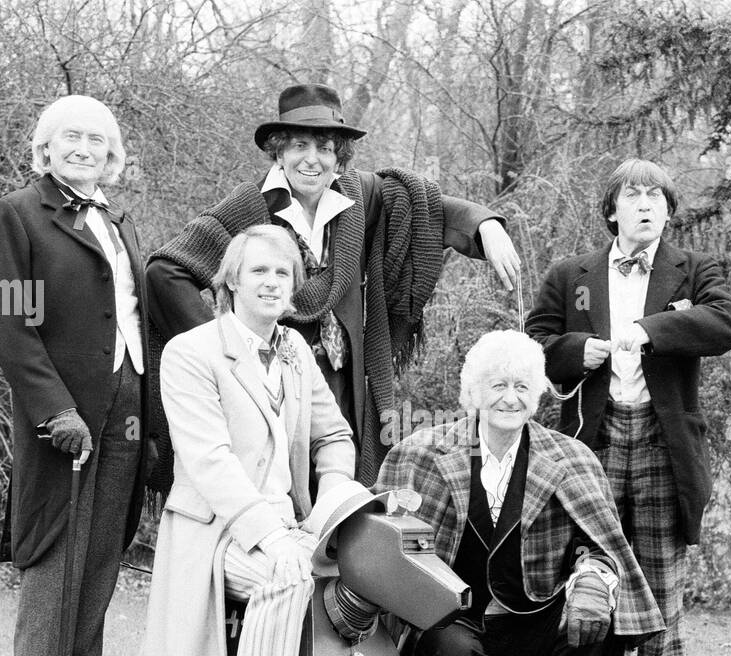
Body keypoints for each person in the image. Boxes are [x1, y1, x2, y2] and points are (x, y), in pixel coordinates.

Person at [146, 82, 521, 485]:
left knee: (339, 487)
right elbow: (165, 273)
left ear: (338, 156)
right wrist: (225, 351)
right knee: (274, 489)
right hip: (271, 384)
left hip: (343, 384)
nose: (313, 160)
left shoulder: (359, 197)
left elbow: (426, 208)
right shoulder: (250, 207)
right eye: (300, 146)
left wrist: (485, 224)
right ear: (279, 151)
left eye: (324, 148)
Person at [525, 158, 731, 656]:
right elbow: (535, 342)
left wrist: (650, 331)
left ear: (669, 211)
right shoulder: (570, 272)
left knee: (660, 573)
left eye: (658, 197)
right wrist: (577, 350)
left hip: (661, 441)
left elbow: (727, 323)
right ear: (612, 209)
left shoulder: (694, 269)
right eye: (635, 195)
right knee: (588, 571)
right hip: (588, 445)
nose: (648, 205)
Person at [372, 331, 665, 656]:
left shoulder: (573, 457)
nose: (510, 399)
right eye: (498, 386)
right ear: (473, 393)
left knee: (598, 608)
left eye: (522, 387)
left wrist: (593, 579)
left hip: (535, 623)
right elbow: (381, 545)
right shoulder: (418, 454)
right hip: (455, 622)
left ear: (538, 396)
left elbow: (601, 547)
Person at [129, 225, 356, 656]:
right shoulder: (190, 352)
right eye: (259, 271)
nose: (272, 283)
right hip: (216, 531)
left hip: (293, 520)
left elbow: (335, 438)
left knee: (372, 566)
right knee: (286, 576)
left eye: (283, 273)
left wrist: (331, 505)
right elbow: (210, 462)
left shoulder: (297, 349)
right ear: (229, 281)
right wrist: (275, 538)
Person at [0, 95, 150, 656]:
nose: (84, 147)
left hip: (128, 408)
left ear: (111, 153)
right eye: (69, 137)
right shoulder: (17, 215)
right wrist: (55, 409)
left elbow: (134, 316)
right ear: (45, 148)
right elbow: (5, 322)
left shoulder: (120, 217)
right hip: (65, 418)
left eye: (96, 139)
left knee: (100, 563)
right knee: (55, 562)